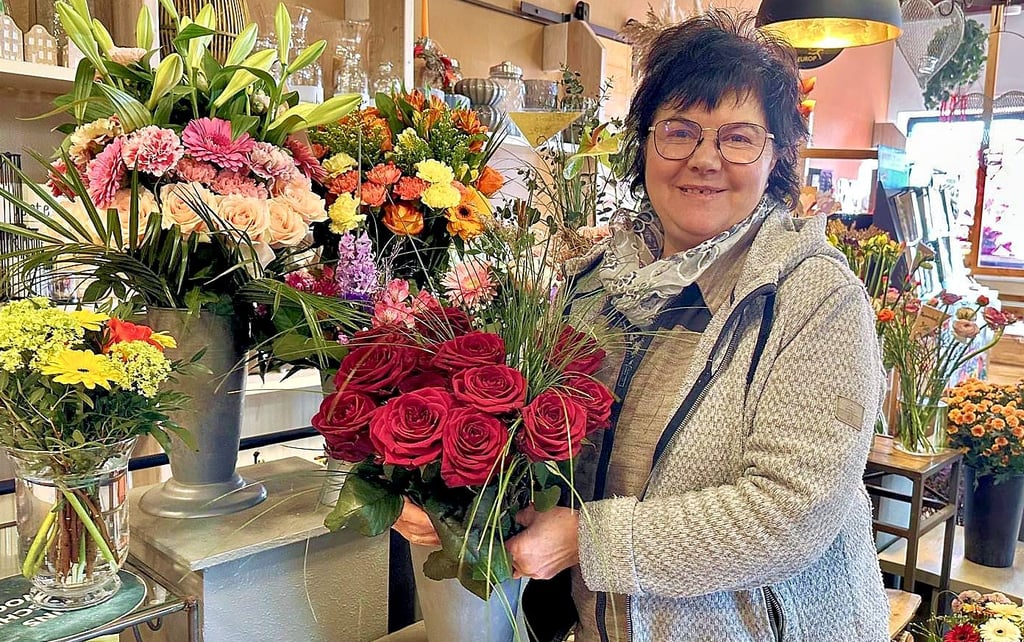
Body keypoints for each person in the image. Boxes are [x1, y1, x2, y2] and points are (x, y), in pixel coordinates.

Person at [500, 10, 890, 642]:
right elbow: (547, 451)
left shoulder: (814, 297)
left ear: (775, 156)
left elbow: (791, 513)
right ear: (644, 144)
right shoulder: (595, 286)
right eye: (679, 131)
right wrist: (450, 492)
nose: (705, 159)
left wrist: (588, 540)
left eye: (738, 137)